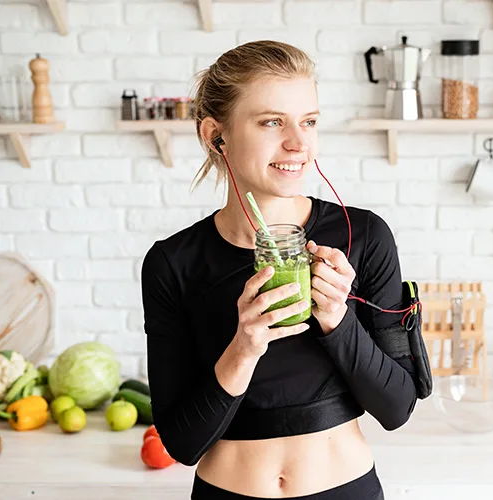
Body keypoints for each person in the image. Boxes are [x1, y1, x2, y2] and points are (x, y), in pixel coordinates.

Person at [141, 40, 419, 500]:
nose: (298, 143)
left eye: (308, 122)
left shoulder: (364, 237)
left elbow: (397, 407)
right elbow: (182, 444)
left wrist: (337, 318)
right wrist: (243, 348)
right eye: (272, 122)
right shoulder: (173, 262)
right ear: (216, 135)